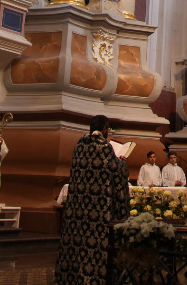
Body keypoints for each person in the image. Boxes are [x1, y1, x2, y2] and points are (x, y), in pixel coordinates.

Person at [55, 114, 130, 285]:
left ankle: (71, 275)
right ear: (104, 129)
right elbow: (117, 172)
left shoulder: (79, 145)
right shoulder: (104, 147)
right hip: (99, 213)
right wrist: (123, 163)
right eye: (108, 129)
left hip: (78, 211)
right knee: (95, 247)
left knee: (77, 244)